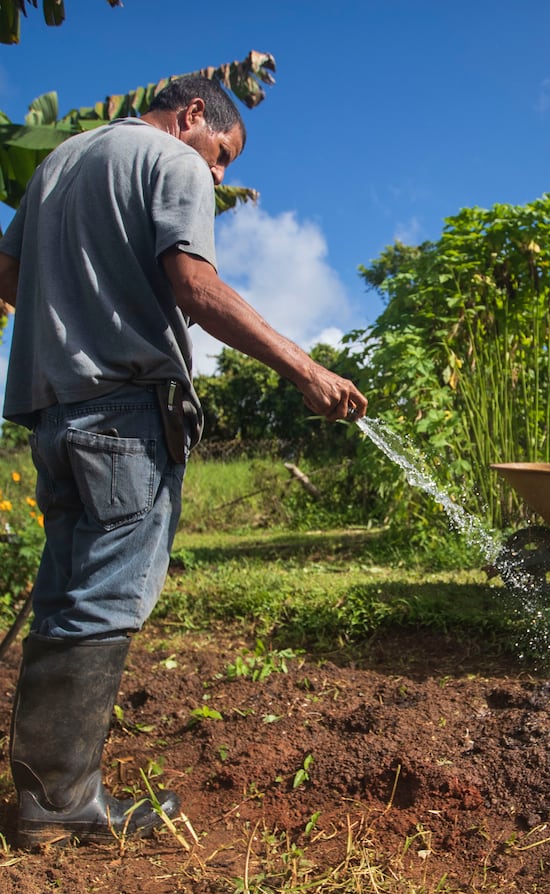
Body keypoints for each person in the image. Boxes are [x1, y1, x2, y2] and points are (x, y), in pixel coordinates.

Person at [0, 75, 367, 848]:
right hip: (124, 413)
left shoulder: (57, 166)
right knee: (102, 600)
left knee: (68, 593)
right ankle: (60, 807)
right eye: (224, 154)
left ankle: (47, 794)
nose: (220, 176)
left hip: (52, 411)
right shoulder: (170, 163)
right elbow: (195, 288)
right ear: (194, 115)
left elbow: (7, 277)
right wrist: (306, 370)